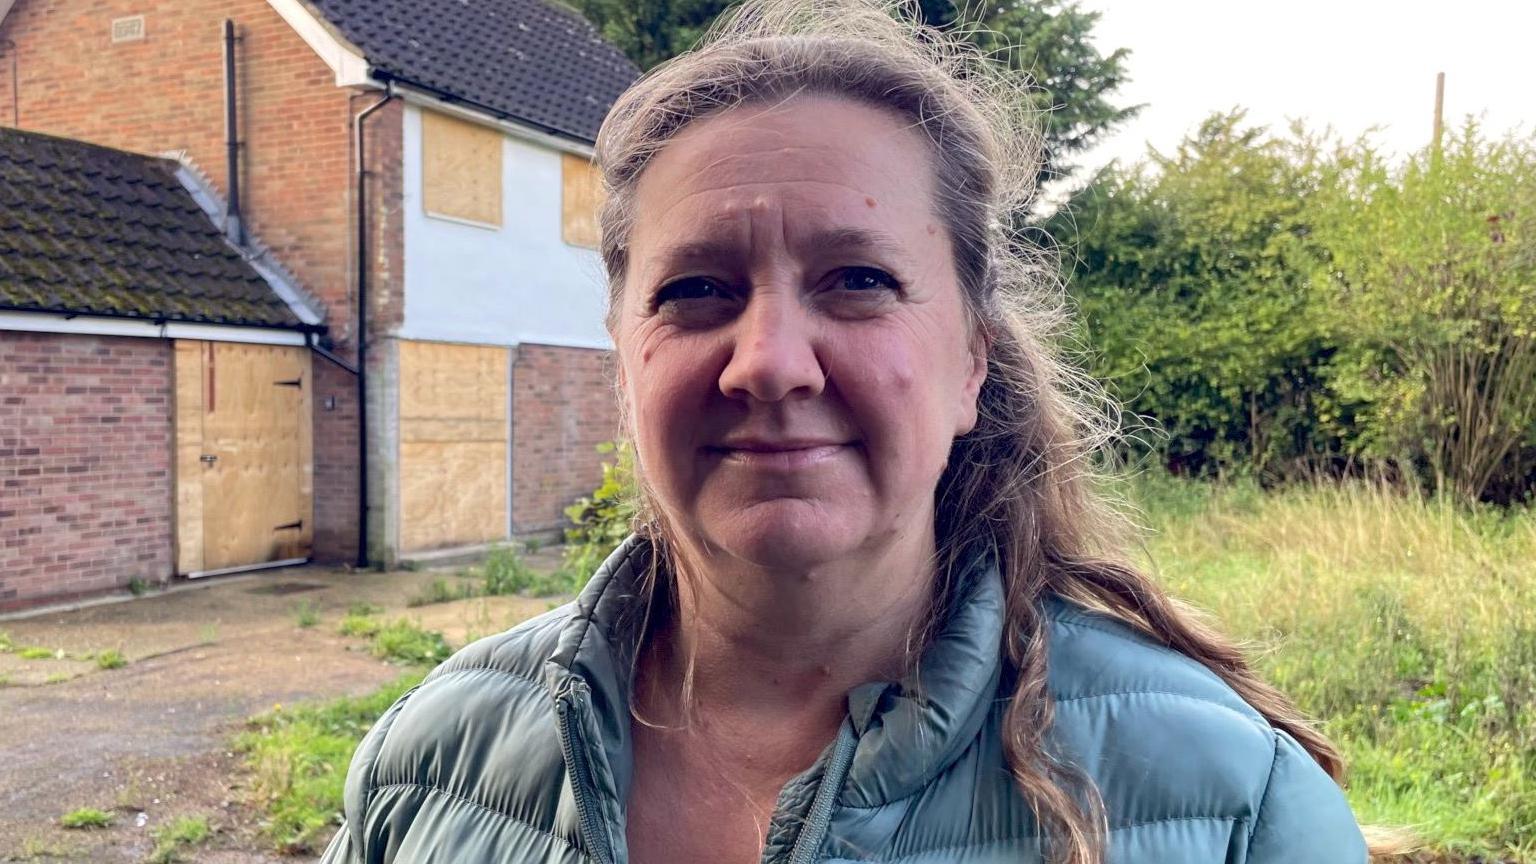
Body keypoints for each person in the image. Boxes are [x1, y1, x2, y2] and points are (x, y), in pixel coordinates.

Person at [321, 1, 1376, 861]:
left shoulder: (1234, 807)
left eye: (859, 280)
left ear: (971, 359)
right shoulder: (423, 773)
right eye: (695, 288)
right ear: (622, 352)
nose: (771, 361)